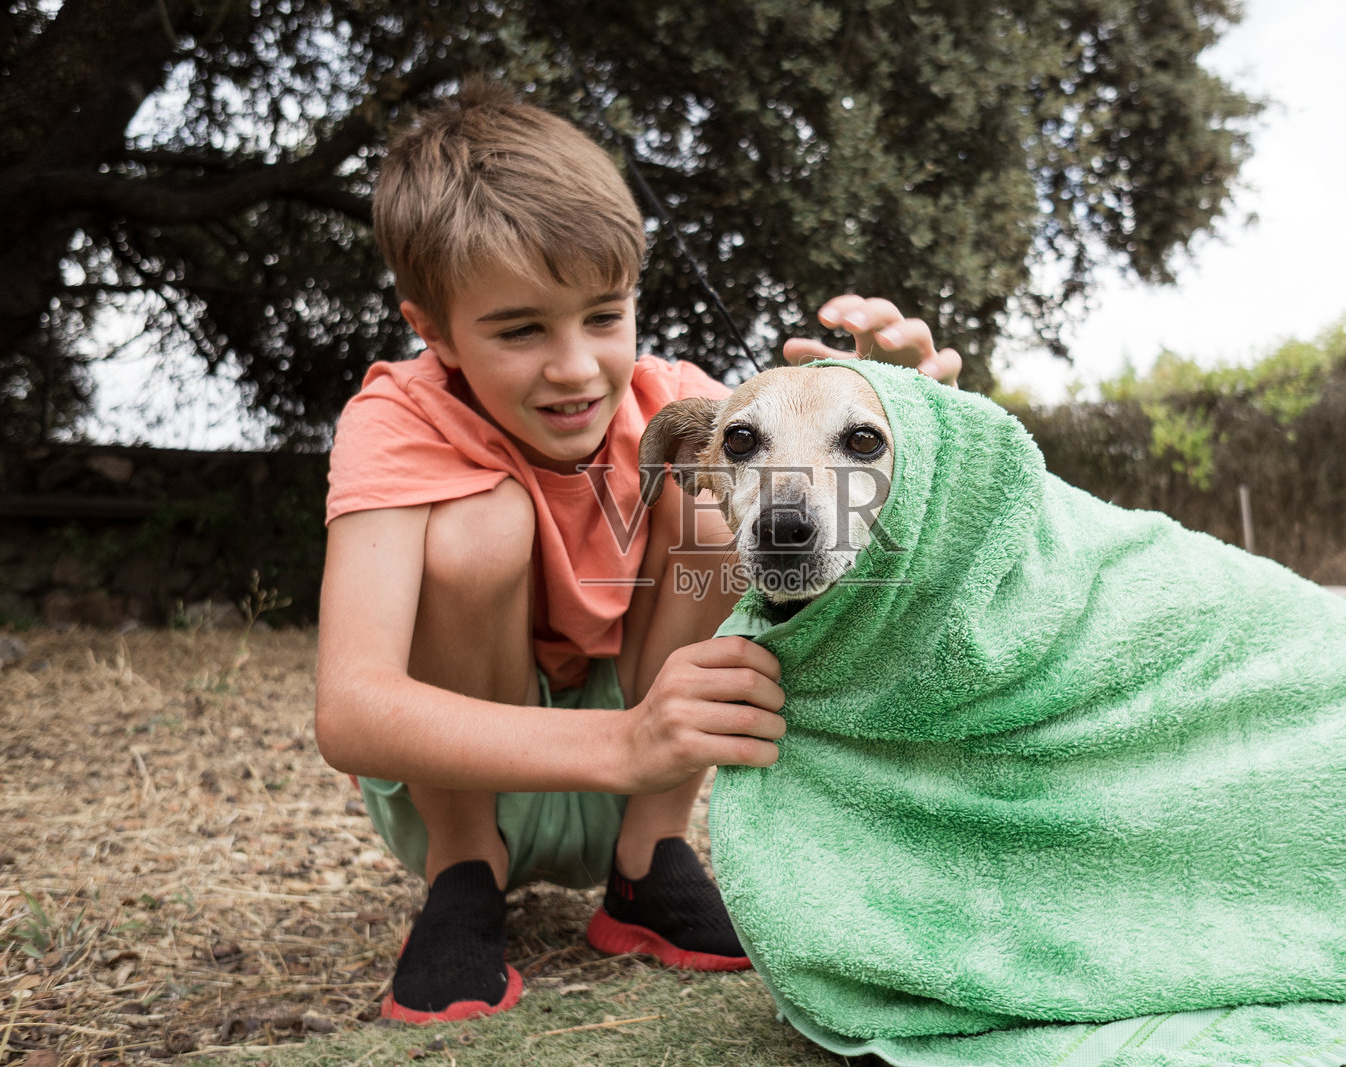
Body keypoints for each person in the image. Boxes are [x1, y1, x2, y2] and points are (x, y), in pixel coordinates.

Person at [314, 79, 962, 1023]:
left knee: (726, 489)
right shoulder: (394, 418)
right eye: (520, 328)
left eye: (604, 315)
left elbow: (854, 519)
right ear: (434, 331)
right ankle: (466, 871)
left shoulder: (682, 400)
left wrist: (907, 415)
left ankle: (648, 862)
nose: (576, 366)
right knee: (480, 524)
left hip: (649, 761)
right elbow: (352, 711)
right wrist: (623, 739)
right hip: (472, 769)